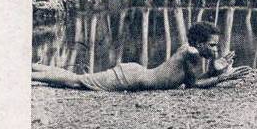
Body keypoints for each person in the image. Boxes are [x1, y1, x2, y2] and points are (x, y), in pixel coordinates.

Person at [31, 21, 241, 91]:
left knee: (79, 80)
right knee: (77, 82)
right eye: (212, 46)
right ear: (199, 43)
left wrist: (214, 69)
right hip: (131, 77)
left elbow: (192, 82)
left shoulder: (189, 51)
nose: (215, 50)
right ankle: (31, 75)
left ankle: (33, 69)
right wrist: (222, 77)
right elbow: (195, 86)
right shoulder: (192, 53)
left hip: (135, 75)